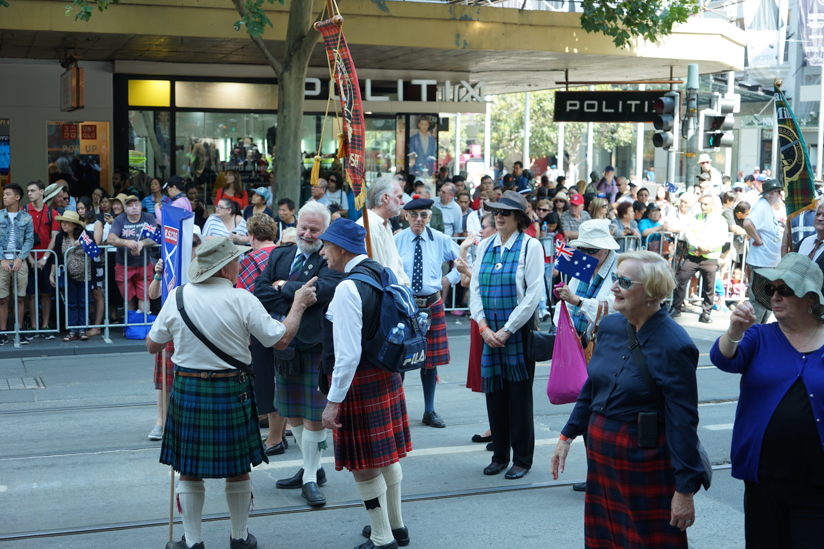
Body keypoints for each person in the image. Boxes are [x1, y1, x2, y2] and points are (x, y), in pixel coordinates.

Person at [148, 237, 318, 549]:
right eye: (236, 260)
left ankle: (192, 542)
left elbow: (152, 345)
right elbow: (280, 340)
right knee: (238, 470)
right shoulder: (243, 299)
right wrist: (298, 305)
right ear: (226, 267)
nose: (240, 264)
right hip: (233, 389)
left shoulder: (178, 297)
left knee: (188, 471)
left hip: (189, 390)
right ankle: (240, 539)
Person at [551, 251, 706, 547]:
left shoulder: (676, 345)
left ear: (650, 293)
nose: (613, 287)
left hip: (644, 462)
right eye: (615, 279)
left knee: (646, 541)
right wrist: (567, 434)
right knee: (605, 538)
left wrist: (684, 490)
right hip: (602, 457)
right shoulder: (609, 326)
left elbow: (683, 423)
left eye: (624, 281)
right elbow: (592, 387)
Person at [710, 253, 824, 548]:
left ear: (810, 297)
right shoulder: (759, 335)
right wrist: (735, 331)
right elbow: (723, 359)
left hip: (817, 480)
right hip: (764, 475)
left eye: (784, 289)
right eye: (771, 289)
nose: (775, 296)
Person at [319, 219, 412, 549]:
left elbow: (346, 355)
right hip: (385, 374)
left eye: (327, 245)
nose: (323, 251)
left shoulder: (347, 288)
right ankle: (396, 527)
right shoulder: (380, 270)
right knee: (385, 456)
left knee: (363, 464)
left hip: (358, 381)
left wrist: (333, 401)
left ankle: (382, 536)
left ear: (342, 249)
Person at [253, 202, 341, 508]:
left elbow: (323, 292)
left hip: (314, 345)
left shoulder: (328, 258)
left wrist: (282, 286)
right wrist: (295, 291)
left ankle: (310, 479)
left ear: (324, 232)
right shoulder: (279, 254)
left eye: (314, 230)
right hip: (284, 345)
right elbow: (259, 290)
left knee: (314, 417)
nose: (306, 233)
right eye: (303, 227)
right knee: (292, 412)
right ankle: (311, 467)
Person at [469, 190, 543, 480]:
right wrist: (484, 327)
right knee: (495, 395)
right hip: (489, 332)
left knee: (519, 398)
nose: (498, 216)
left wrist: (507, 329)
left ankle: (522, 459)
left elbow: (533, 293)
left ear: (519, 218)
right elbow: (474, 289)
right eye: (495, 212)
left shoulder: (530, 246)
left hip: (518, 332)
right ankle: (500, 455)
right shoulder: (485, 245)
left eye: (505, 213)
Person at [394, 197, 464, 428]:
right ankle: (397, 411)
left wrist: (449, 278)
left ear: (430, 216)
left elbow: (463, 260)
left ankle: (429, 410)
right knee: (400, 359)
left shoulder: (440, 239)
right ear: (405, 216)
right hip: (404, 306)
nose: (419, 220)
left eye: (424, 215)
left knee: (430, 362)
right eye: (414, 215)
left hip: (432, 304)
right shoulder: (396, 240)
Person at [670, 194, 729, 324]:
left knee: (709, 287)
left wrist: (703, 249)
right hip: (693, 256)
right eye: (702, 203)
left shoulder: (720, 220)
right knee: (681, 280)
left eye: (706, 204)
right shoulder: (696, 217)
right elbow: (689, 233)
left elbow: (722, 239)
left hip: (710, 258)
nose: (703, 206)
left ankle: (706, 313)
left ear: (713, 205)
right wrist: (697, 246)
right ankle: (676, 308)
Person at [742, 179, 786, 323]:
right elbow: (747, 223)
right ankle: (752, 337)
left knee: (767, 302)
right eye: (779, 192)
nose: (780, 195)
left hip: (768, 263)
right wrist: (757, 239)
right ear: (771, 193)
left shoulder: (766, 206)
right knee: (760, 303)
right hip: (762, 264)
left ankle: (757, 333)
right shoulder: (761, 206)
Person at [106, 194, 157, 313]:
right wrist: (127, 242)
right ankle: (130, 327)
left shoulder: (148, 217)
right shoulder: (120, 219)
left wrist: (141, 243)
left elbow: (156, 237)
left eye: (136, 204)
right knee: (127, 298)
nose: (134, 207)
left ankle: (143, 328)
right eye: (130, 205)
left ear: (140, 206)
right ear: (124, 208)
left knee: (145, 296)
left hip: (144, 264)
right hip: (123, 265)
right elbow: (110, 238)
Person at [49, 210, 94, 341]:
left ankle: (83, 329)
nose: (64, 224)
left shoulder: (85, 235)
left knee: (84, 302)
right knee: (71, 303)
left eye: (67, 222)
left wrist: (84, 244)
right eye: (62, 222)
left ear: (75, 224)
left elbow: (95, 253)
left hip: (86, 276)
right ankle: (73, 330)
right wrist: (52, 274)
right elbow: (56, 256)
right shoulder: (59, 237)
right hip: (68, 277)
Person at [357, 175, 410, 287]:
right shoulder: (369, 225)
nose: (403, 202)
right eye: (399, 197)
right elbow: (380, 272)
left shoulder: (385, 224)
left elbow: (395, 265)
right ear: (386, 198)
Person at [23, 180, 60, 338]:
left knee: (46, 293)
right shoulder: (23, 211)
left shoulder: (53, 213)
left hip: (47, 259)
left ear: (42, 192)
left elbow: (54, 238)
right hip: (28, 259)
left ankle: (45, 326)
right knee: (31, 294)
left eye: (33, 190)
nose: (29, 194)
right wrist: (30, 259)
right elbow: (22, 238)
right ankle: (33, 326)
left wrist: (44, 258)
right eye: (28, 191)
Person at [0, 184, 34, 345]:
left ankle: (19, 331)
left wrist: (20, 258)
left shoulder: (27, 218)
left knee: (20, 298)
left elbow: (29, 240)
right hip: (2, 262)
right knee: (3, 299)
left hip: (20, 261)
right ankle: (3, 332)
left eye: (7, 194)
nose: (4, 197)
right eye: (4, 194)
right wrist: (3, 260)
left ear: (17, 197)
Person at [76, 197, 104, 338]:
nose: (80, 211)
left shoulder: (97, 223)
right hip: (79, 263)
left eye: (83, 208)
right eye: (78, 209)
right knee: (81, 294)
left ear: (90, 208)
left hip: (94, 261)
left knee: (97, 293)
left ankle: (97, 326)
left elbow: (96, 243)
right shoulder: (77, 223)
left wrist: (80, 243)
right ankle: (82, 324)